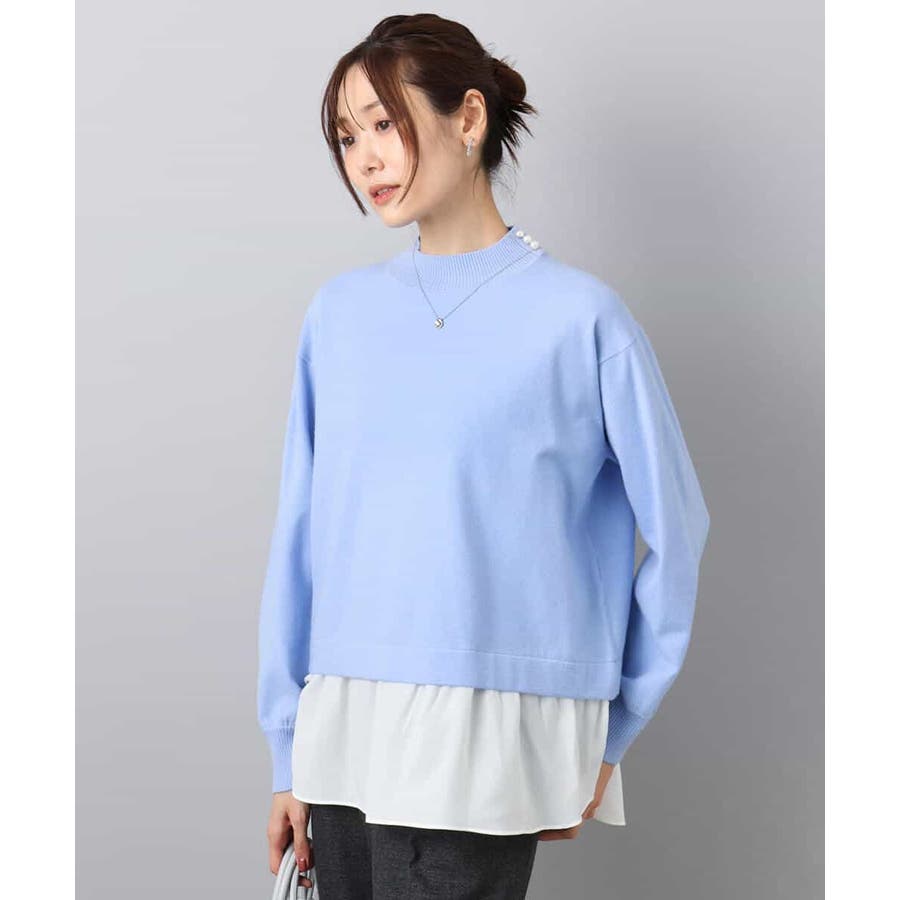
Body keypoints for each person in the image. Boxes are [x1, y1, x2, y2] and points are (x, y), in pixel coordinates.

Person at [257, 12, 711, 899]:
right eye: (346, 137)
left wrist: (610, 730)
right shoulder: (339, 317)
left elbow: (678, 529)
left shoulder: (581, 320)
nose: (365, 158)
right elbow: (301, 531)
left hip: (483, 737)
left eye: (384, 123)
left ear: (468, 117)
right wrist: (288, 748)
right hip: (342, 730)